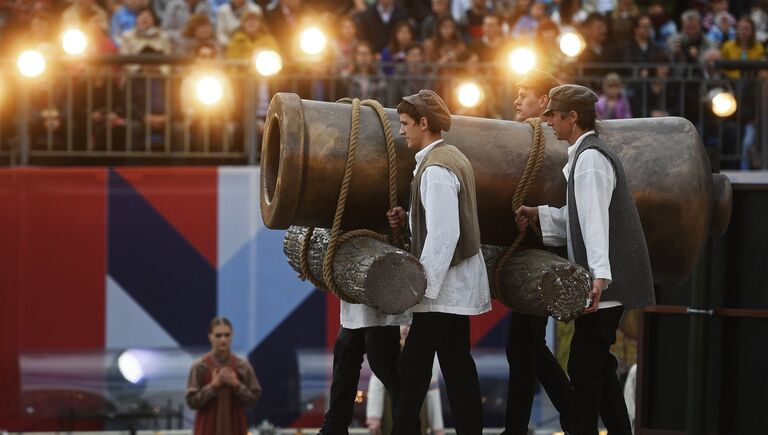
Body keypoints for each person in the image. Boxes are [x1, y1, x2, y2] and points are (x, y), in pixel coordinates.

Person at [515, 84, 655, 435]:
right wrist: (540, 215)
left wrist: (598, 279)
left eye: (553, 115)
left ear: (572, 117)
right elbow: (581, 218)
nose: (546, 121)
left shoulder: (590, 159)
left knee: (584, 366)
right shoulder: (585, 155)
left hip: (605, 285)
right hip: (606, 281)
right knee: (599, 367)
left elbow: (595, 224)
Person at [387, 89, 491, 435]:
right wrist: (410, 216)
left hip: (442, 289)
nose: (401, 130)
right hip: (451, 287)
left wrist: (421, 288)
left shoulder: (436, 170)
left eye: (405, 124)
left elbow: (444, 235)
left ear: (424, 123)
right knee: (457, 364)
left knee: (413, 364)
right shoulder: (451, 157)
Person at [504, 69, 574, 435]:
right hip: (536, 251)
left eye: (524, 94)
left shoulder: (553, 144)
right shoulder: (533, 140)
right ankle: (571, 414)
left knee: (522, 346)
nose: (516, 100)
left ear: (544, 101)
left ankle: (517, 427)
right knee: (528, 346)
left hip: (544, 256)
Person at [317, 301, 409, 435]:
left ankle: (407, 427)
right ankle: (333, 428)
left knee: (385, 366)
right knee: (344, 357)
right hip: (354, 308)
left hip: (381, 304)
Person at [187, 317, 262, 435]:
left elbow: (253, 399)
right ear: (210, 337)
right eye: (218, 335)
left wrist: (236, 384)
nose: (223, 339)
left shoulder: (242, 366)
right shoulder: (200, 367)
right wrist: (212, 386)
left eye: (227, 335)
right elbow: (191, 401)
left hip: (236, 429)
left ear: (232, 336)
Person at [366, 326, 444, 435]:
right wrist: (374, 417)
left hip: (418, 409)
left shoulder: (425, 355)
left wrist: (437, 428)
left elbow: (432, 392)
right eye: (402, 324)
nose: (405, 329)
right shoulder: (389, 351)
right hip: (390, 410)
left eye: (409, 325)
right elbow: (377, 384)